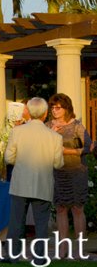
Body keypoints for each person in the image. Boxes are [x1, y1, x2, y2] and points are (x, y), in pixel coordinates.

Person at [5, 97, 64, 260]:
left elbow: (8, 158)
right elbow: (58, 163)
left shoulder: (17, 131)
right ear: (45, 114)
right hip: (42, 183)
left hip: (20, 183)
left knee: (16, 221)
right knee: (41, 223)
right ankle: (40, 257)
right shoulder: (55, 137)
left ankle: (12, 255)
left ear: (29, 112)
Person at [47, 92, 91, 254]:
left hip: (77, 172)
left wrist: (68, 151)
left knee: (77, 209)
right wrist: (51, 132)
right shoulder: (48, 126)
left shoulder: (77, 125)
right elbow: (43, 147)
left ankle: (79, 250)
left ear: (66, 108)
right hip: (58, 173)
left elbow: (88, 148)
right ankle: (62, 250)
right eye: (52, 107)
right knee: (60, 209)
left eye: (58, 107)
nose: (54, 110)